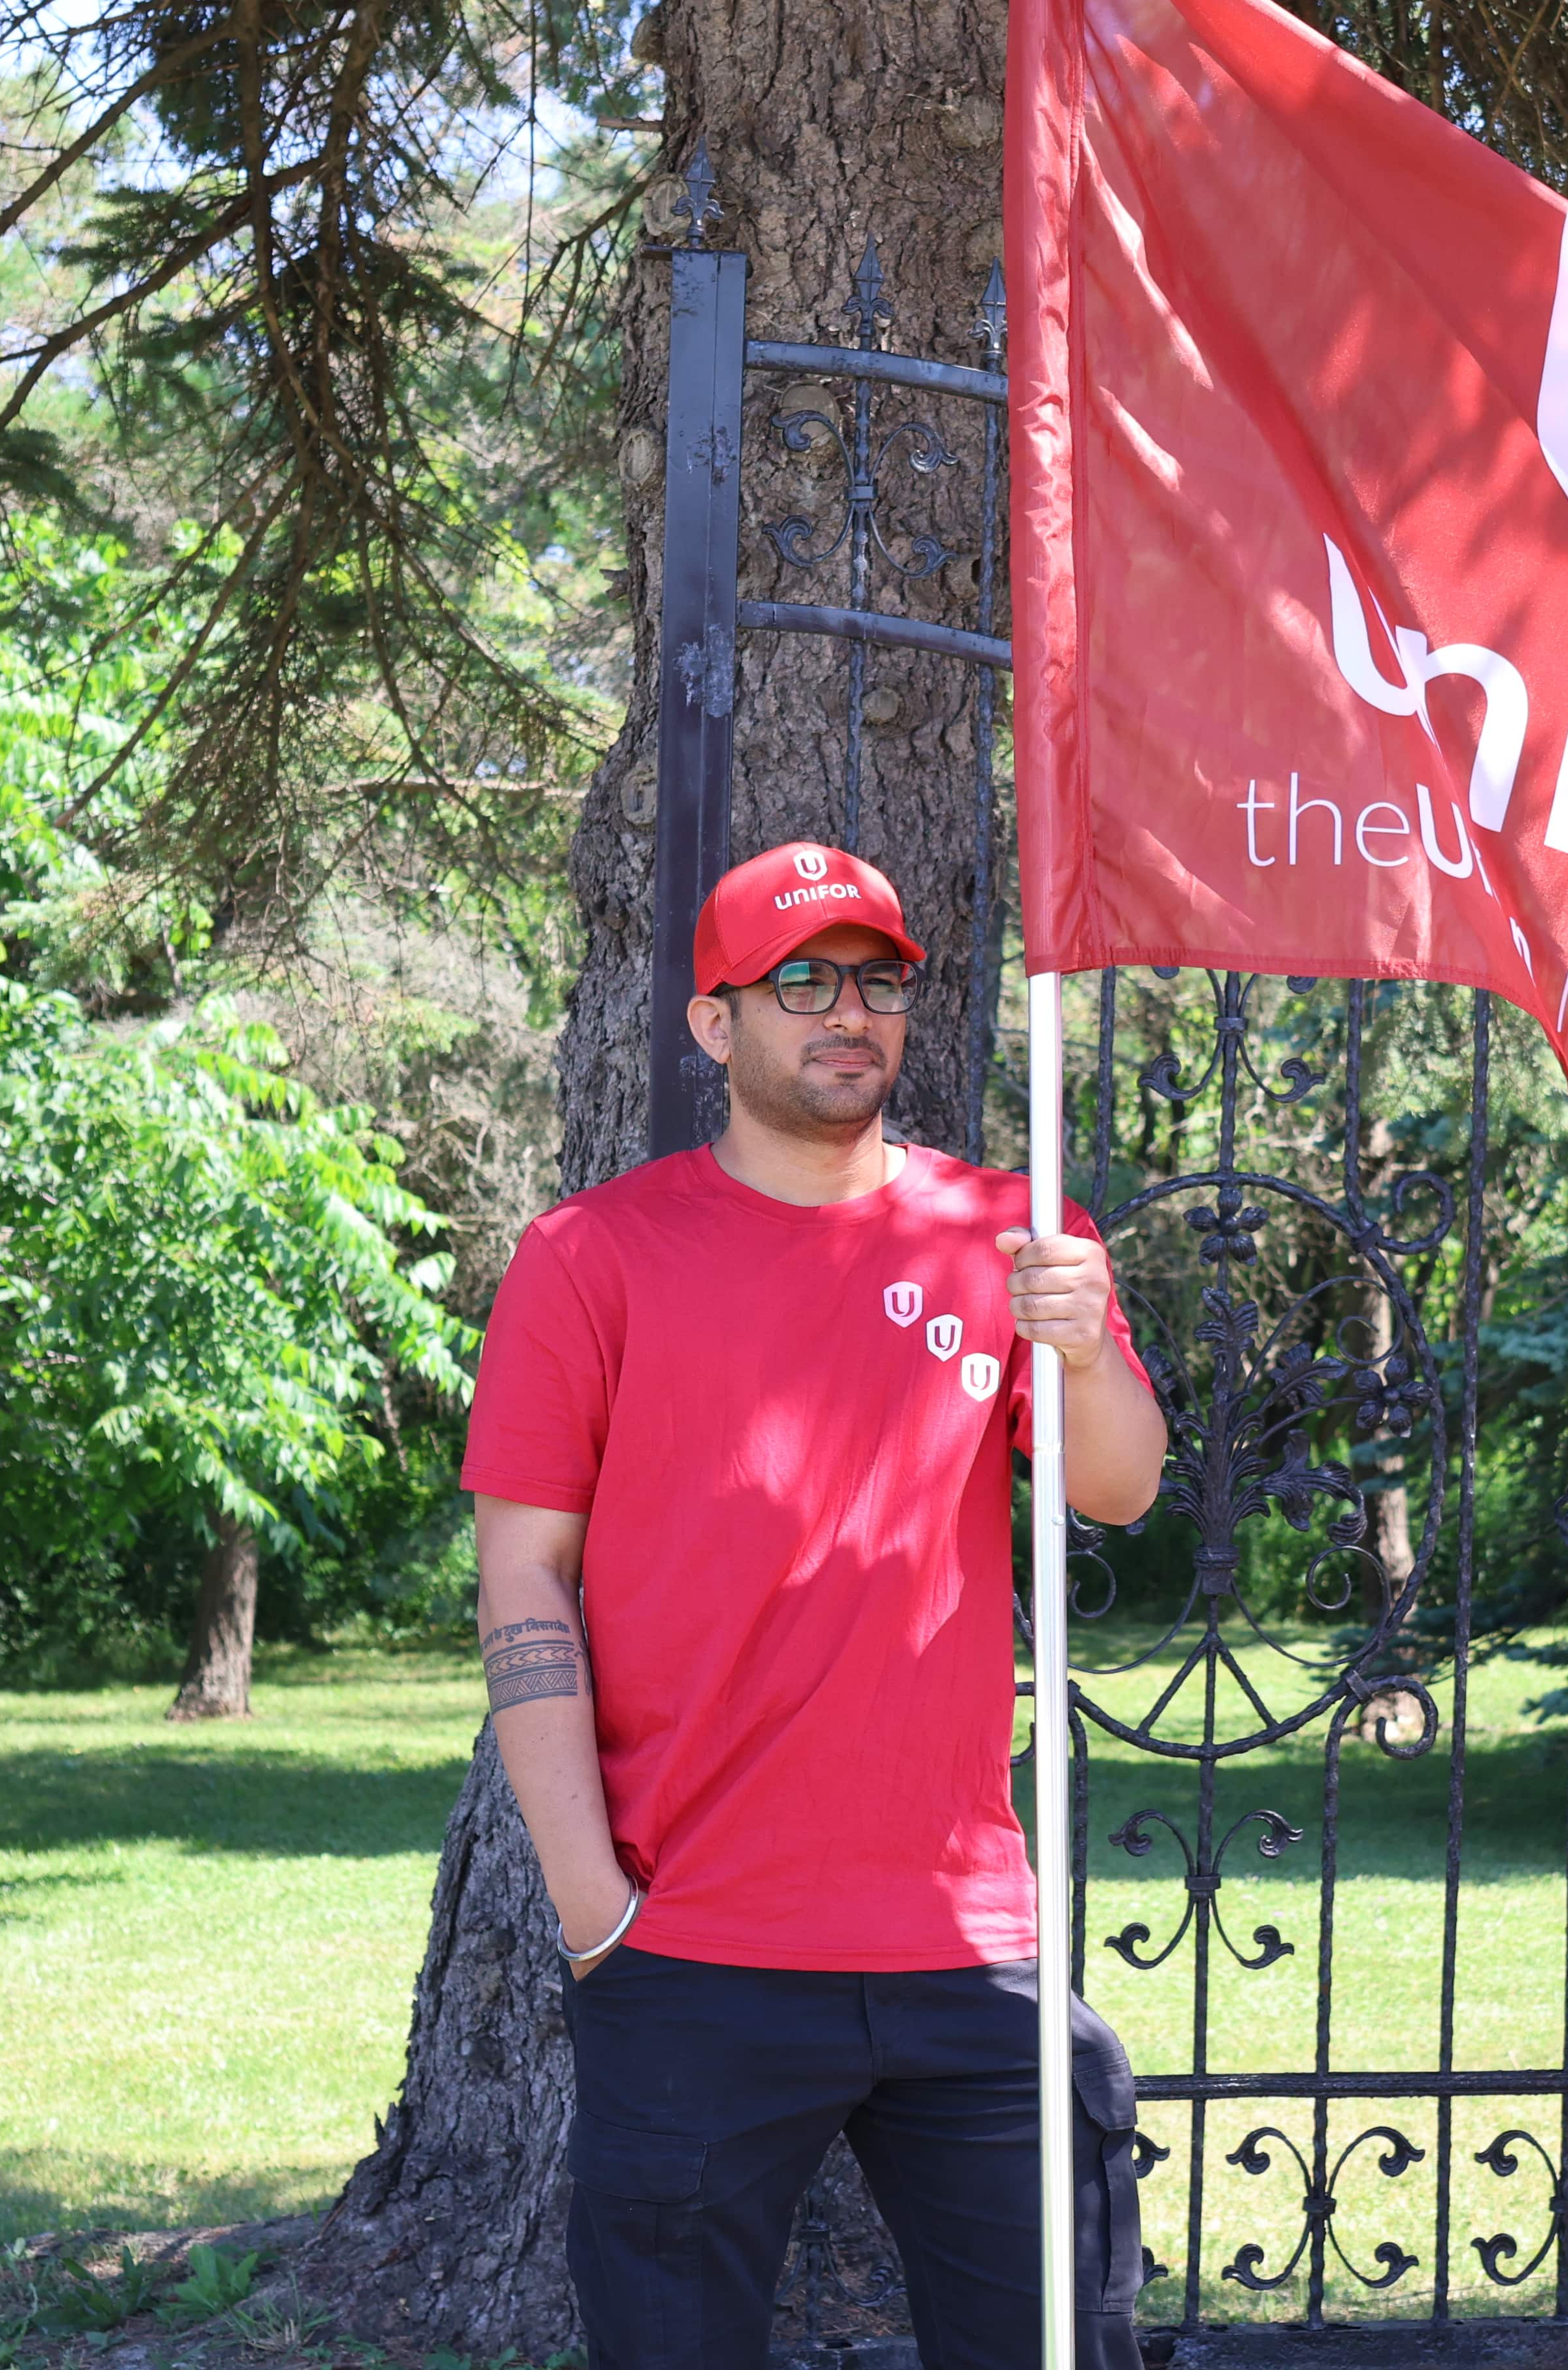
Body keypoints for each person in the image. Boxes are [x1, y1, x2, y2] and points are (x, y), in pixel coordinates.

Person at [459, 840, 1174, 2370]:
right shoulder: (591, 1259)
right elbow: (524, 1571)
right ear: (715, 1023)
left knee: (1060, 2345)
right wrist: (595, 1906)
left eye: (879, 980)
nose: (849, 1012)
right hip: (695, 1945)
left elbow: (1118, 1487)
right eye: (801, 980)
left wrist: (1090, 1347)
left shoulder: (1010, 1235)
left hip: (964, 1945)